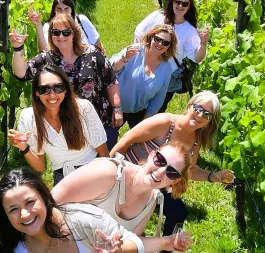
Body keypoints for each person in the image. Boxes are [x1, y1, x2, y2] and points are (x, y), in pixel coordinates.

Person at [110, 91, 235, 253]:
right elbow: (127, 139)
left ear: (209, 122)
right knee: (124, 219)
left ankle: (166, 248)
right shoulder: (165, 122)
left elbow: (189, 169)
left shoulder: (195, 141)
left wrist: (213, 176)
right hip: (131, 174)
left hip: (158, 183)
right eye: (198, 108)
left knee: (178, 212)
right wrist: (113, 170)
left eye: (207, 114)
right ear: (189, 106)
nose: (200, 115)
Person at [0, 167, 193, 253]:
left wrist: (119, 250)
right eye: (13, 209)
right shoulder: (11, 246)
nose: (24, 214)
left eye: (29, 202)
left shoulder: (84, 220)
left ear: (44, 197)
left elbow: (134, 242)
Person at [10, 13, 122, 150]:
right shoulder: (48, 59)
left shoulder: (92, 53)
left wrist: (117, 108)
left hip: (101, 121)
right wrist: (17, 48)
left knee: (107, 163)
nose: (61, 37)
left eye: (66, 32)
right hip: (69, 128)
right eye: (56, 32)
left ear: (74, 33)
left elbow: (111, 80)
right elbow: (21, 73)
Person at [52, 140, 191, 237]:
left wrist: (168, 243)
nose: (161, 171)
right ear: (151, 155)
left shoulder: (152, 199)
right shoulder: (108, 173)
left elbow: (131, 241)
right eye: (160, 160)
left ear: (175, 181)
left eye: (171, 172)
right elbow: (50, 202)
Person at [8, 65, 108, 185]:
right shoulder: (29, 117)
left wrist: (107, 179)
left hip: (92, 171)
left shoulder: (83, 109)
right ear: (36, 93)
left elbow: (103, 152)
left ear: (65, 90)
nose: (52, 95)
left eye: (58, 88)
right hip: (62, 177)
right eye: (44, 89)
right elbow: (40, 167)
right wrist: (24, 147)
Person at [134, 0, 209, 112]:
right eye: (177, 2)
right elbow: (139, 33)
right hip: (143, 70)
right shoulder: (158, 16)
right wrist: (138, 59)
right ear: (172, 1)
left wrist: (203, 43)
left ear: (189, 7)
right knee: (135, 104)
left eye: (184, 4)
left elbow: (197, 57)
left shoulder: (189, 30)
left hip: (166, 79)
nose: (180, 6)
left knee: (155, 112)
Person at [109, 24, 177, 129]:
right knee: (108, 141)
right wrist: (125, 58)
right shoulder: (135, 51)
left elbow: (159, 98)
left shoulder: (166, 68)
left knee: (137, 144)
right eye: (157, 39)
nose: (160, 44)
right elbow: (111, 69)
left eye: (165, 42)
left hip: (140, 113)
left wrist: (146, 121)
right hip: (115, 107)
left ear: (169, 46)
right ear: (151, 37)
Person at [28, 0, 105, 53]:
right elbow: (45, 51)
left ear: (71, 9)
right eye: (59, 9)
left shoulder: (81, 20)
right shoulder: (48, 27)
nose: (63, 12)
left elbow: (98, 45)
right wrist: (38, 25)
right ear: (54, 10)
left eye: (66, 9)